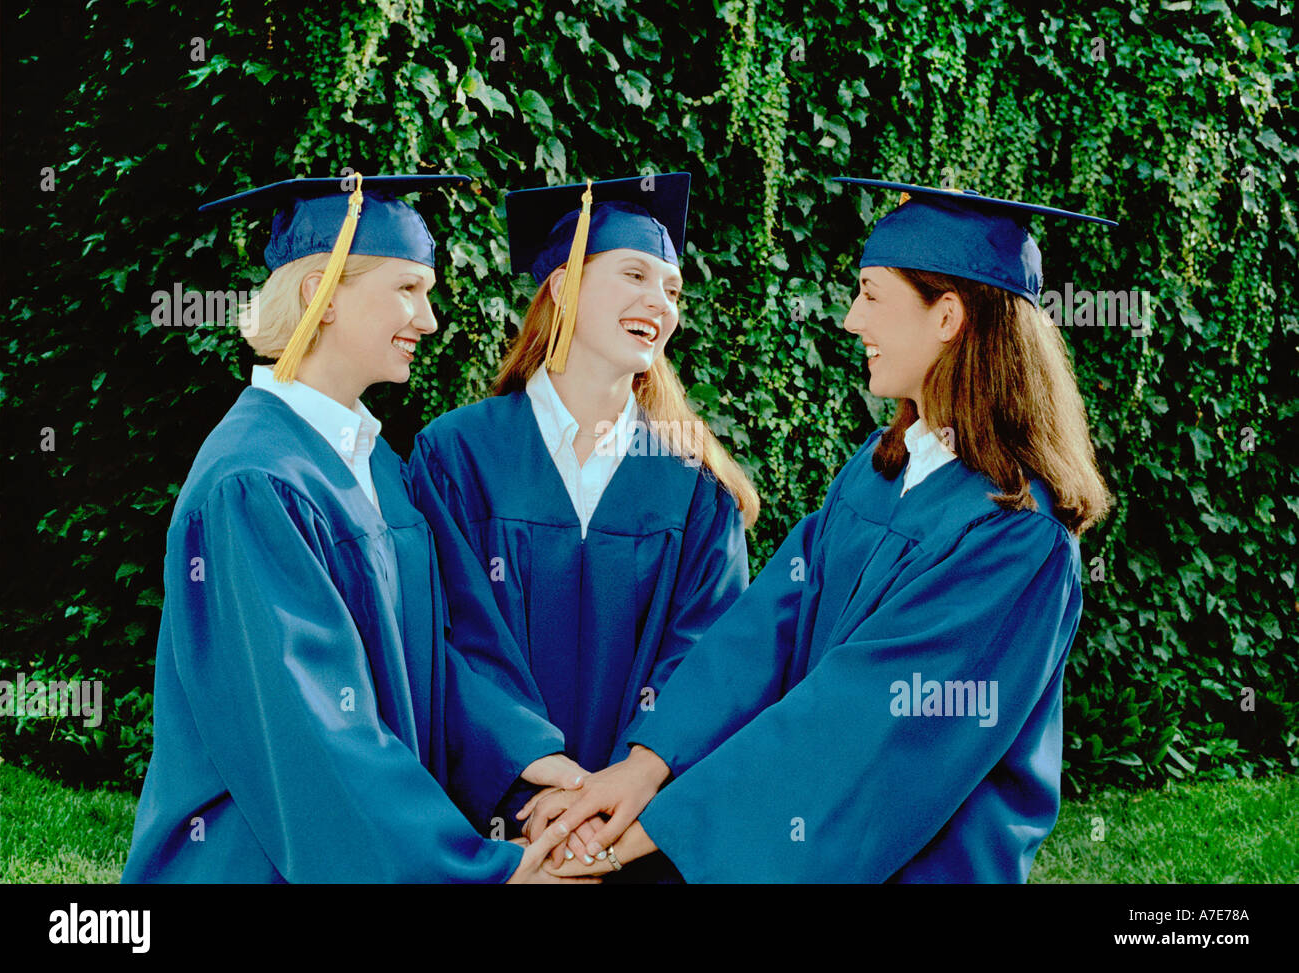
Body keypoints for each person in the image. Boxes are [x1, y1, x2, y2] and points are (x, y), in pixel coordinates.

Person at [532, 178, 1117, 882]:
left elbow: (863, 726)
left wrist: (637, 835)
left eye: (871, 293)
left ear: (948, 316)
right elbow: (768, 627)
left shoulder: (1018, 538)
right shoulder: (878, 470)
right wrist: (645, 763)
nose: (849, 318)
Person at [122, 173, 589, 883]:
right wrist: (478, 871)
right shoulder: (254, 482)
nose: (429, 318)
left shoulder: (376, 466)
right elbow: (315, 733)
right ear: (323, 294)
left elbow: (430, 659)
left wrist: (527, 762)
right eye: (407, 289)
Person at [406, 173, 757, 873]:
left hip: (640, 836)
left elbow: (708, 663)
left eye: (673, 290)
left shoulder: (694, 486)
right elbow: (448, 641)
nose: (659, 303)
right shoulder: (458, 456)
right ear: (563, 285)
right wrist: (539, 778)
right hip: (499, 832)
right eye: (635, 274)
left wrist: (613, 797)